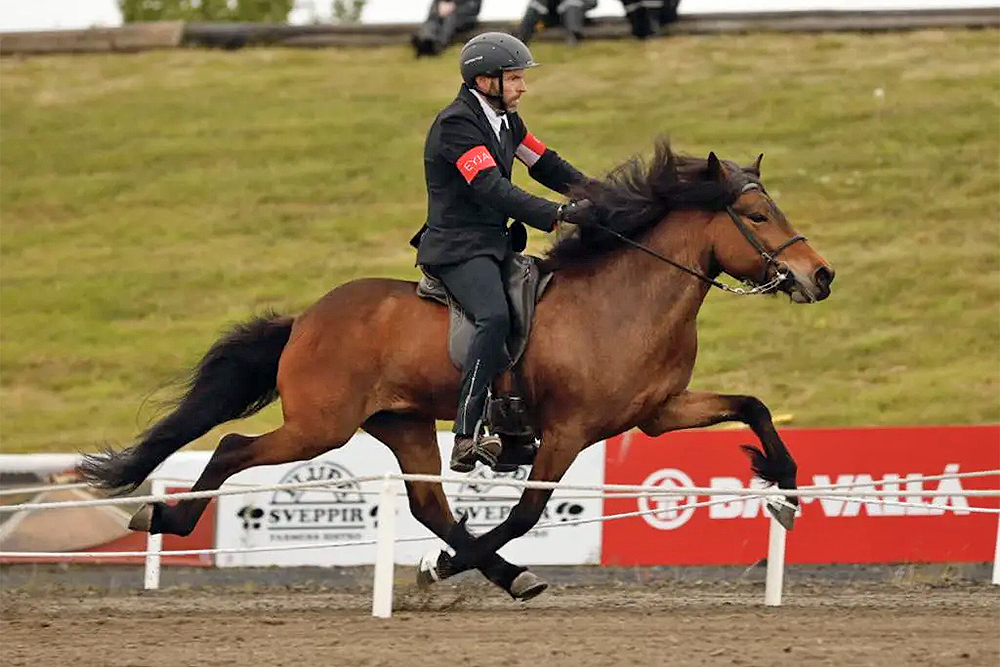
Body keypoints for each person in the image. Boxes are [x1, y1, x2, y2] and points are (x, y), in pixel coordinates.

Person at [409, 32, 595, 472]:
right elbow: (491, 187)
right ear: (484, 80)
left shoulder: (508, 121)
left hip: (494, 244)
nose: (522, 87)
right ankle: (465, 434)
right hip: (457, 247)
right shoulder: (457, 125)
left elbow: (546, 164)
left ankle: (512, 426)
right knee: (493, 317)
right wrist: (558, 214)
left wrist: (604, 197)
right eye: (514, 78)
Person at [412, 0, 482, 57]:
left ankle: (437, 45)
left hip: (463, 19)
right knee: (432, 22)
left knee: (450, 20)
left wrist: (453, 9)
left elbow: (474, 8)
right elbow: (434, 7)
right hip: (441, 18)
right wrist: (439, 10)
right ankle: (426, 40)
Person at [516, 0, 598, 46]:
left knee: (571, 5)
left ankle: (574, 35)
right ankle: (522, 38)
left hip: (574, 15)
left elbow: (592, 3)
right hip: (551, 15)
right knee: (535, 5)